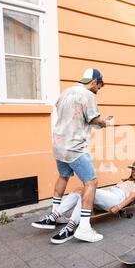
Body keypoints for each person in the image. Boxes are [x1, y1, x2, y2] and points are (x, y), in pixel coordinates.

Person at [41, 68, 108, 243]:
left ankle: (55, 215)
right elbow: (94, 119)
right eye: (98, 87)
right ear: (94, 82)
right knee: (91, 182)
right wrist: (104, 122)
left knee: (64, 176)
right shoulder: (88, 95)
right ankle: (84, 228)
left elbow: (69, 116)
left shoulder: (65, 92)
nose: (97, 91)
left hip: (59, 144)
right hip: (75, 147)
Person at [32, 160, 135, 244]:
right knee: (80, 192)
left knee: (86, 190)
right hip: (111, 194)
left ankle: (54, 218)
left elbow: (133, 196)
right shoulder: (128, 180)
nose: (134, 171)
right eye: (133, 169)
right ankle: (67, 228)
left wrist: (118, 207)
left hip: (117, 198)